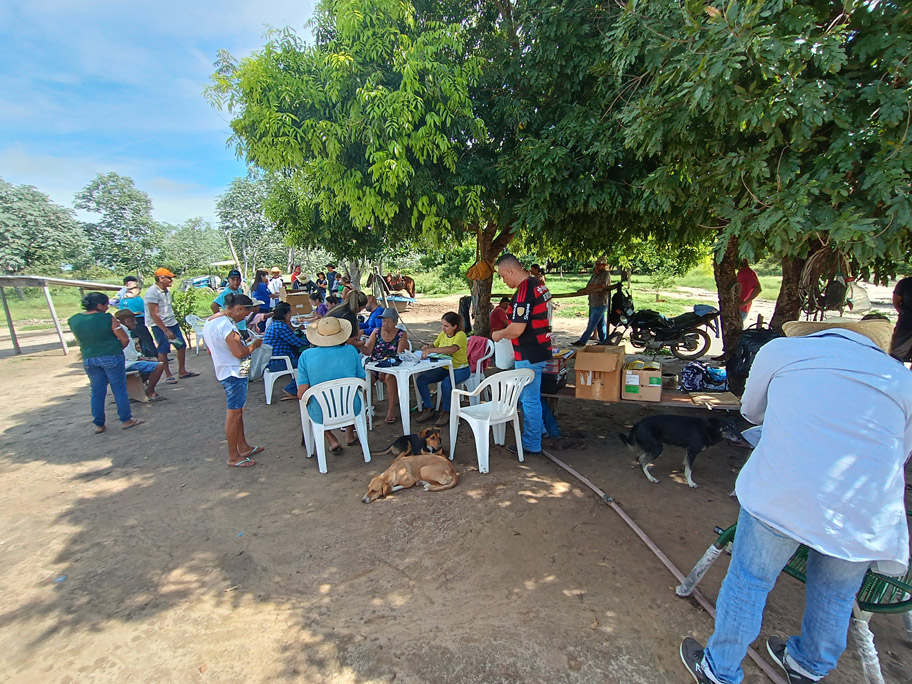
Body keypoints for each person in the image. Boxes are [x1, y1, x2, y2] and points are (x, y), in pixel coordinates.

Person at [679, 316, 912, 684]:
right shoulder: (901, 378)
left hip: (784, 489)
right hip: (864, 505)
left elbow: (751, 411)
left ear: (820, 332)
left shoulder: (784, 351)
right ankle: (807, 667)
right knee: (835, 594)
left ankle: (719, 670)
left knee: (749, 581)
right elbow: (900, 451)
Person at [491, 254, 553, 456]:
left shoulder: (524, 292)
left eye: (502, 276)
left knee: (529, 399)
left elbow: (517, 329)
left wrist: (499, 334)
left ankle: (531, 443)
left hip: (529, 352)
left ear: (510, 271)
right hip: (540, 348)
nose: (503, 281)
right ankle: (541, 430)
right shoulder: (539, 285)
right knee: (531, 396)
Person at [202, 293, 264, 467]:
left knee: (239, 412)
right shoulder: (227, 326)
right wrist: (254, 345)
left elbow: (210, 350)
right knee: (234, 414)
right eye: (244, 314)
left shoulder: (211, 321)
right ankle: (233, 456)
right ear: (238, 308)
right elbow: (239, 352)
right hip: (234, 373)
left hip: (225, 370)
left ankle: (243, 446)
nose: (243, 317)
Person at [67, 292, 144, 433]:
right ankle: (126, 420)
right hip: (111, 356)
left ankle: (99, 424)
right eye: (106, 305)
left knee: (97, 390)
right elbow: (124, 339)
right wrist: (115, 349)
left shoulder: (74, 320)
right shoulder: (107, 318)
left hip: (88, 357)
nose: (107, 308)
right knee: (119, 389)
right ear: (99, 305)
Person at [297, 317, 366, 452]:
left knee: (306, 402)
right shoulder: (351, 351)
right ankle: (350, 434)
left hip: (321, 412)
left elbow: (302, 393)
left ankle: (331, 439)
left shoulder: (306, 356)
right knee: (355, 393)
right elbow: (361, 382)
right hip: (351, 408)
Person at [415, 312, 471, 427]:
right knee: (421, 380)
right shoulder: (443, 334)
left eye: (446, 326)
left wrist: (431, 351)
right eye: (442, 325)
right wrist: (428, 347)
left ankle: (447, 411)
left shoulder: (460, 335)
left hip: (461, 369)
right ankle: (429, 408)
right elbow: (435, 345)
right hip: (444, 367)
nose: (443, 328)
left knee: (446, 384)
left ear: (455, 326)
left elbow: (452, 349)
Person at [144, 267, 198, 384]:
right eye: (169, 278)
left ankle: (182, 371)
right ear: (161, 278)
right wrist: (165, 330)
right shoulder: (152, 292)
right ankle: (168, 374)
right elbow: (154, 313)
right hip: (159, 325)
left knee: (181, 345)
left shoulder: (165, 291)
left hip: (172, 322)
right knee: (163, 349)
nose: (171, 281)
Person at [363, 308, 409, 424]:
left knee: (389, 377)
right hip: (374, 364)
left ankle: (391, 409)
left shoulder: (401, 334)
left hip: (392, 366)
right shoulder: (376, 332)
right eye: (383, 321)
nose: (384, 324)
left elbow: (400, 355)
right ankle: (369, 409)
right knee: (365, 380)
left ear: (395, 322)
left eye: (388, 321)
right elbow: (368, 350)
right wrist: (360, 346)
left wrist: (385, 368)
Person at [113, 309, 166, 401]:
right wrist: (139, 358)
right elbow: (129, 353)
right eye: (131, 320)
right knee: (158, 366)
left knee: (151, 363)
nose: (135, 322)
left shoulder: (124, 330)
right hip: (126, 363)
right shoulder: (123, 332)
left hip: (125, 361)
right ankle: (150, 391)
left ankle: (136, 391)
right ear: (121, 321)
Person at [263, 302, 309, 401]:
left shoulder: (276, 324)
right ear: (285, 314)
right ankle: (291, 389)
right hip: (278, 362)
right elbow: (297, 342)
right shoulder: (281, 327)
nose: (291, 315)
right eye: (290, 313)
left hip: (272, 360)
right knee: (307, 364)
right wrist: (311, 339)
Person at [571, 256, 612, 347]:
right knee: (600, 324)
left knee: (592, 323)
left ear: (604, 265)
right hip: (593, 302)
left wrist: (591, 287)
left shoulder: (606, 274)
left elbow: (602, 285)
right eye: (596, 263)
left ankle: (583, 341)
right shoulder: (595, 275)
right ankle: (603, 341)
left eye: (599, 264)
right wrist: (584, 290)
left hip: (600, 302)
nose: (597, 265)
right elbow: (589, 285)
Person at [118, 283, 157, 357]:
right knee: (147, 339)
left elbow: (120, 310)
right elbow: (145, 309)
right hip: (138, 320)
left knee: (135, 339)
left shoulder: (123, 300)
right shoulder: (137, 299)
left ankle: (142, 354)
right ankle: (157, 355)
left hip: (126, 321)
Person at [211, 269, 248, 335]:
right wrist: (222, 318)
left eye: (237, 279)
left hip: (242, 324)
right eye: (233, 279)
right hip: (233, 326)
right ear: (228, 280)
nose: (235, 282)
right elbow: (214, 305)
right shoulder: (226, 292)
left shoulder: (239, 290)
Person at [890, 275, 912, 362]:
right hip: (906, 324)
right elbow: (896, 301)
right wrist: (904, 313)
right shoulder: (905, 283)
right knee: (895, 355)